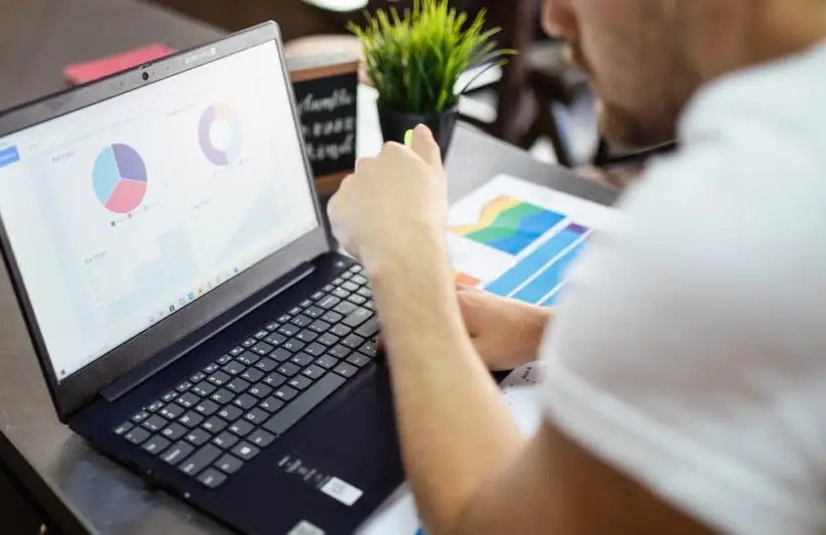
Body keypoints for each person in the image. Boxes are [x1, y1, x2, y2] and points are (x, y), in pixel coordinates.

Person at [327, 0, 826, 533]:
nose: (553, 20)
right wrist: (541, 330)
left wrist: (407, 256)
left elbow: (491, 522)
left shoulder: (723, 222)